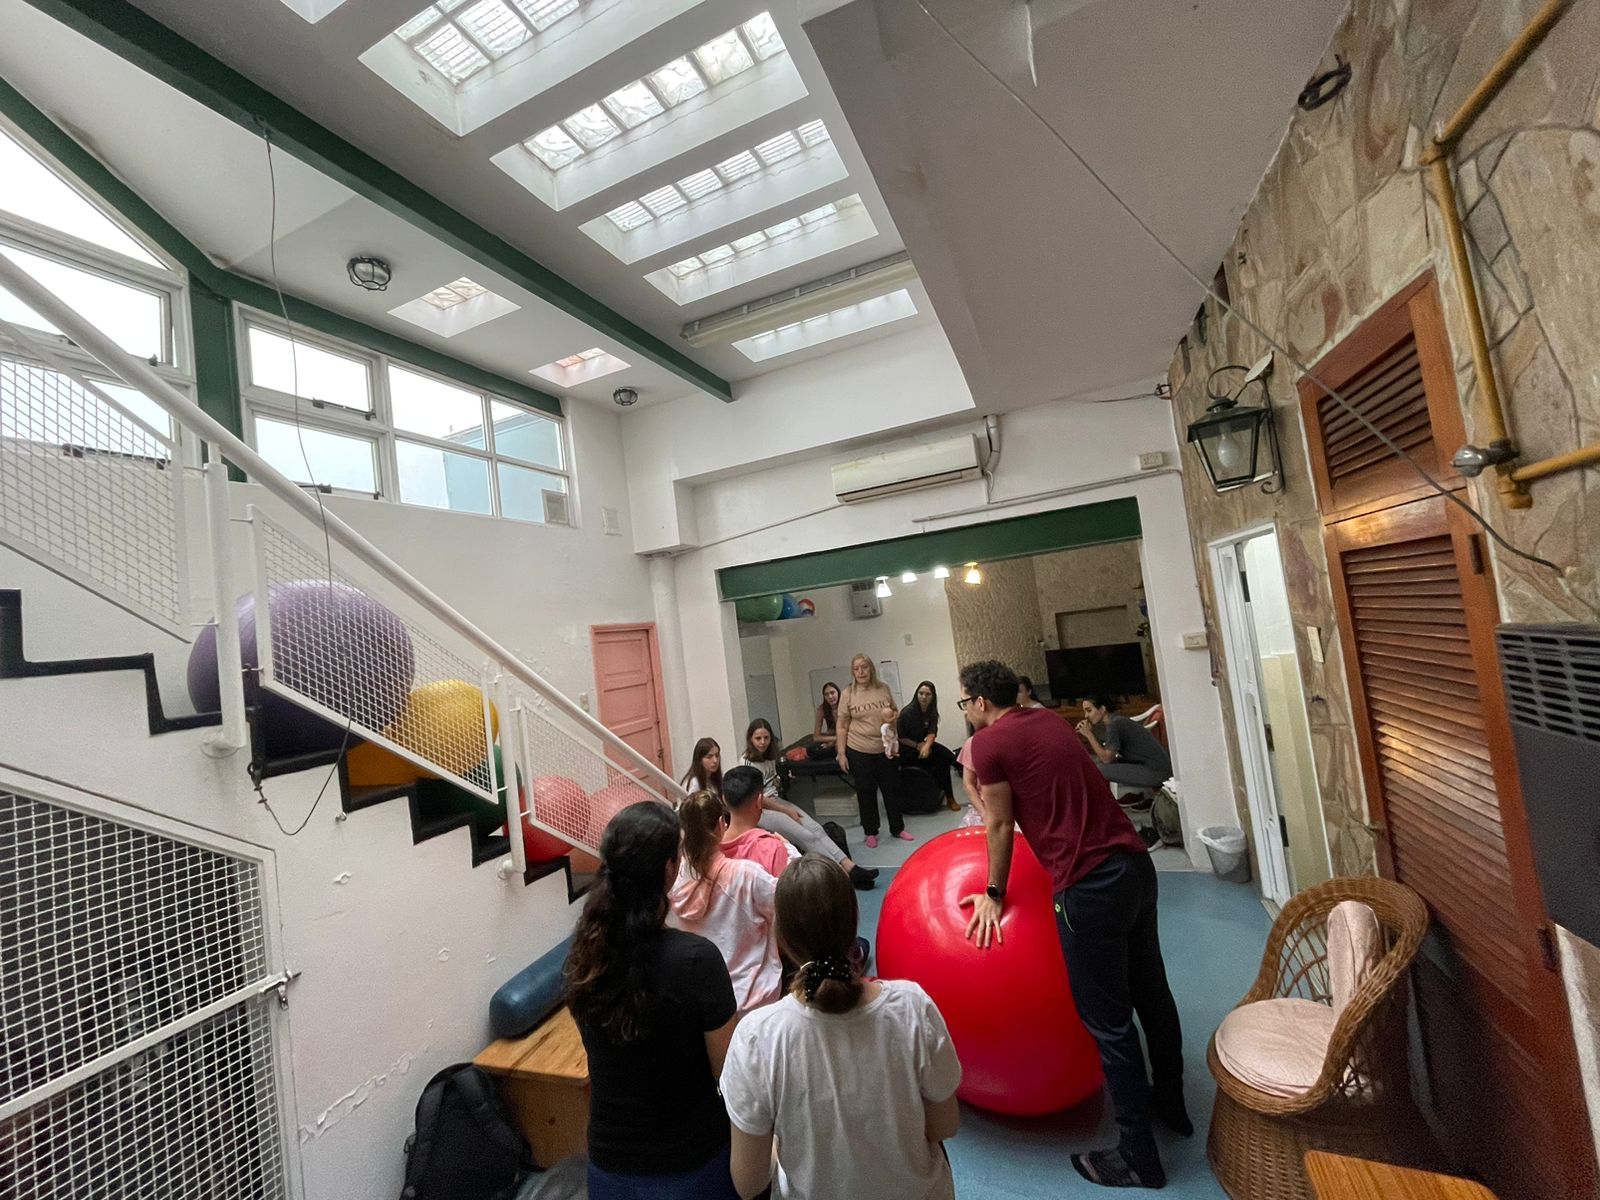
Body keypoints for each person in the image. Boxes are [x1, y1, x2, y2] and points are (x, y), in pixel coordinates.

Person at [957, 661, 1188, 1190]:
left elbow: (999, 822)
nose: (966, 711)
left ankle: (1138, 1158)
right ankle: (1171, 1105)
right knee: (1152, 993)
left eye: (965, 702)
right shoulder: (1047, 720)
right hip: (1135, 868)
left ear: (980, 702)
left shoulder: (989, 743)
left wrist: (994, 893)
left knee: (1109, 1023)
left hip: (1089, 886)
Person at [722, 855, 962, 1200]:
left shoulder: (756, 1037)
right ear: (854, 923)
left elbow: (749, 1183)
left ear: (782, 939)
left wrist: (777, 1138)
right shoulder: (913, 1006)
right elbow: (944, 1124)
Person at [564, 801, 741, 1200]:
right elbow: (727, 1073)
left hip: (608, 1168)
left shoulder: (582, 957)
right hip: (691, 1168)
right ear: (669, 869)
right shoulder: (696, 960)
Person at [669, 791, 782, 1014]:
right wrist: (789, 850)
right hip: (754, 1000)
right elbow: (789, 904)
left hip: (702, 1006)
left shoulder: (672, 881)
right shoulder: (746, 875)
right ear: (722, 824)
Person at [741, 721, 878, 889]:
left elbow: (771, 784)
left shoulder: (769, 757)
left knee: (816, 829)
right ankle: (840, 875)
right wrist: (786, 810)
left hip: (776, 802)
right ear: (750, 739)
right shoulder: (747, 762)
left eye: (766, 738)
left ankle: (850, 867)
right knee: (806, 836)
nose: (762, 742)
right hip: (762, 811)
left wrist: (779, 782)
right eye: (758, 738)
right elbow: (756, 798)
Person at [835, 654, 909, 849]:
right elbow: (841, 726)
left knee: (891, 788)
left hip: (885, 748)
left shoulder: (883, 688)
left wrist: (892, 725)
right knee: (866, 791)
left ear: (871, 669)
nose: (861, 672)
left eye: (864, 667)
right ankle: (870, 831)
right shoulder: (848, 694)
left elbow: (895, 711)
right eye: (856, 668)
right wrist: (841, 753)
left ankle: (897, 828)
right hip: (859, 748)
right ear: (852, 672)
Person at [1076, 693, 1172, 795]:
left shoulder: (1114, 725)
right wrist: (1091, 734)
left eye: (1089, 710)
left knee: (1097, 769)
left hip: (1156, 772)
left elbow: (1107, 759)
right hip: (1157, 768)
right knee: (1097, 762)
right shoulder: (1117, 720)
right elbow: (1106, 754)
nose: (1086, 716)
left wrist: (1089, 735)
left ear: (1102, 709)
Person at [897, 681, 963, 812]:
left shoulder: (931, 711)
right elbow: (900, 737)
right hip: (907, 750)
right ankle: (963, 769)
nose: (924, 697)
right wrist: (917, 745)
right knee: (941, 755)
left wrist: (926, 746)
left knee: (944, 761)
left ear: (933, 696)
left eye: (928, 694)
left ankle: (950, 797)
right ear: (916, 694)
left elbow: (932, 732)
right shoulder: (907, 713)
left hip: (922, 746)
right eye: (921, 693)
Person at [813, 682, 842, 748]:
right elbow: (816, 737)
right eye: (826, 694)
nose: (830, 696)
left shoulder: (846, 705)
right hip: (834, 735)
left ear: (838, 693)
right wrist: (836, 738)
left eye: (832, 693)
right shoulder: (822, 709)